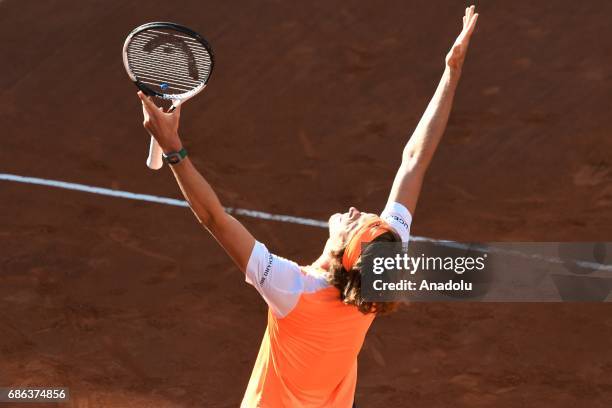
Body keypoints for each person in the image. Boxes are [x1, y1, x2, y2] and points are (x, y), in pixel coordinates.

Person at [137, 6, 478, 407]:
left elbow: (214, 217)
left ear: (341, 250)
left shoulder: (291, 289)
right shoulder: (368, 284)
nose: (355, 211)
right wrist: (451, 74)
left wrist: (174, 149)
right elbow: (414, 161)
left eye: (357, 221)